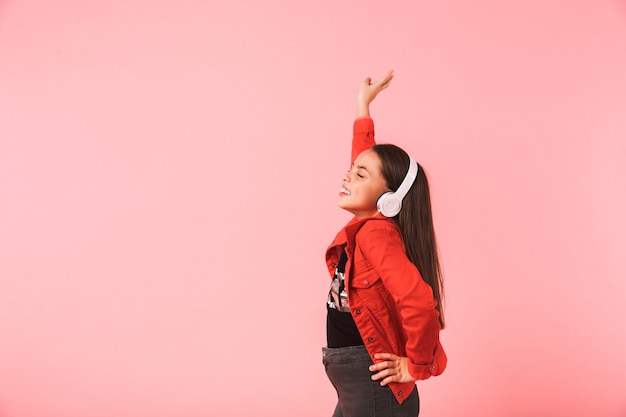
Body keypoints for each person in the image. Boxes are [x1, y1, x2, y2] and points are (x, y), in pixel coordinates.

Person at [322, 70, 447, 417]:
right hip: (354, 381)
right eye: (352, 169)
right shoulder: (365, 224)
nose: (348, 174)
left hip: (373, 385)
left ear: (389, 200)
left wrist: (418, 366)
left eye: (360, 174)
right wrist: (363, 106)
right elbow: (365, 158)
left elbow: (419, 302)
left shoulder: (376, 235)